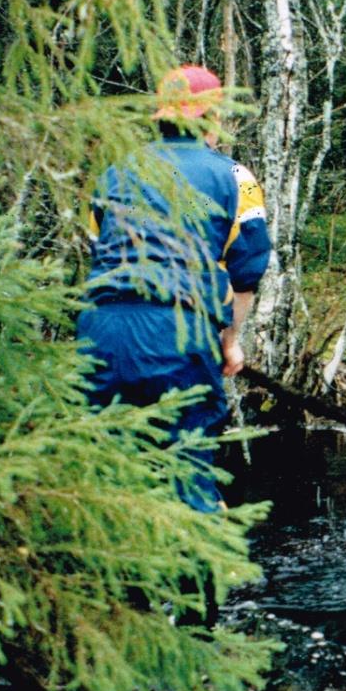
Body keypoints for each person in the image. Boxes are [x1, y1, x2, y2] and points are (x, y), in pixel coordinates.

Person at [78, 64, 273, 514]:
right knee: (187, 474)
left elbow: (97, 246)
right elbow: (247, 270)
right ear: (214, 118)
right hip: (178, 334)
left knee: (112, 477)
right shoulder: (235, 177)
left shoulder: (114, 173)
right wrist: (231, 343)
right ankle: (203, 572)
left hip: (99, 332)